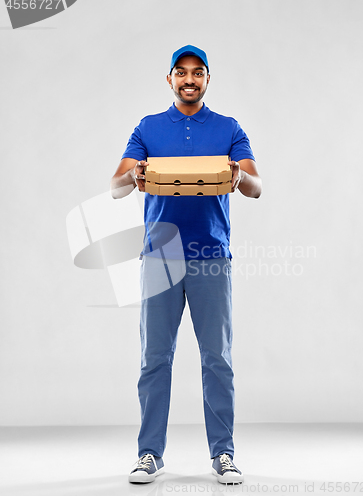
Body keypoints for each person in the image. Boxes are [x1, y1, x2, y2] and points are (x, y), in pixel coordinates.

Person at [111, 45, 262, 485]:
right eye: (181, 72)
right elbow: (118, 186)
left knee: (217, 359)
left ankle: (224, 454)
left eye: (198, 72)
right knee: (155, 359)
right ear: (170, 80)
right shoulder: (148, 128)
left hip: (212, 258)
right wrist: (131, 176)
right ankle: (149, 454)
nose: (189, 79)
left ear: (208, 79)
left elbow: (254, 187)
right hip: (159, 257)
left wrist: (238, 177)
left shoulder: (229, 129)